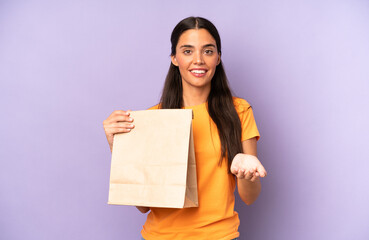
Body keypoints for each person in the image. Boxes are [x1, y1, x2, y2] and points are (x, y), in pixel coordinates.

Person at [103, 16, 267, 240]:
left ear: (218, 58)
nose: (198, 60)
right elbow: (143, 206)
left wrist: (245, 173)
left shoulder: (239, 111)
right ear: (174, 58)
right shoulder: (152, 119)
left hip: (219, 236)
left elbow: (249, 197)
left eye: (208, 51)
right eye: (188, 51)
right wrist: (118, 148)